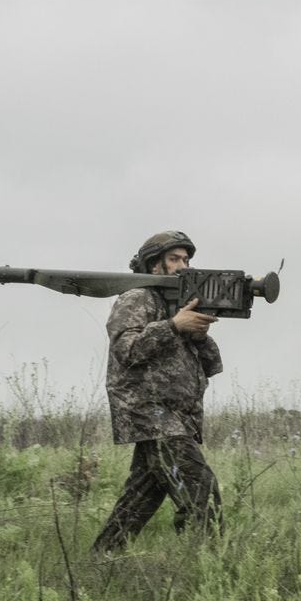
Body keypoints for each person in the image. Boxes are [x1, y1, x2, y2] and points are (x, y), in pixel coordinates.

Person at [92, 231, 223, 552]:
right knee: (200, 491)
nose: (183, 266)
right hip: (153, 416)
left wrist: (197, 334)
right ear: (154, 264)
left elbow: (210, 365)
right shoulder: (136, 298)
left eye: (187, 260)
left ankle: (102, 559)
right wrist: (174, 326)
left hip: (175, 418)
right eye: (174, 259)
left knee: (138, 501)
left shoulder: (175, 306)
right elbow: (127, 348)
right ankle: (207, 567)